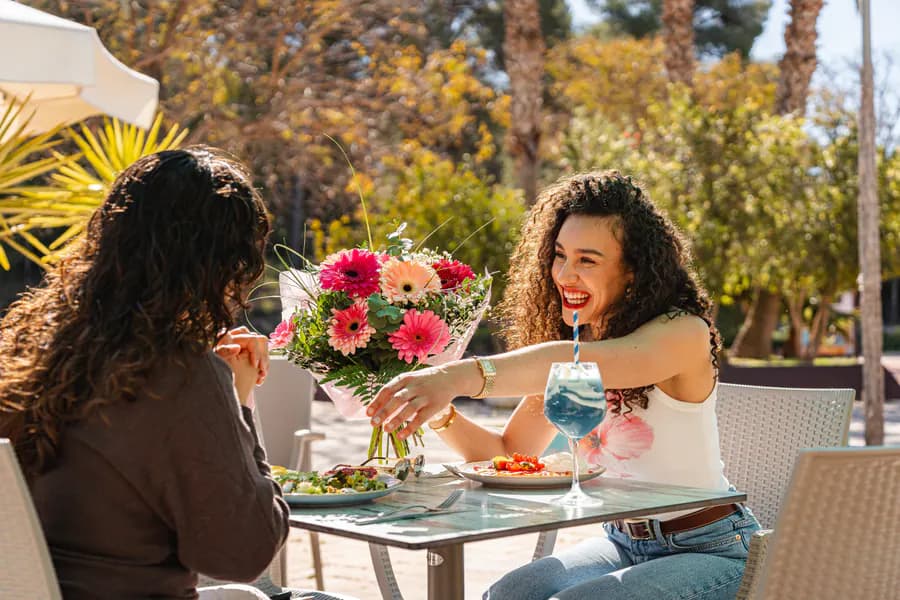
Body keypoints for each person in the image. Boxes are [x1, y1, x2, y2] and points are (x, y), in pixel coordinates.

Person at [366, 171, 761, 600]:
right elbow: (507, 455)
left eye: (587, 260)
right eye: (559, 255)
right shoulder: (581, 341)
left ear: (633, 271)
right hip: (622, 542)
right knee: (507, 595)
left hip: (716, 548)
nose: (565, 275)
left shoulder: (682, 333)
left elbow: (570, 361)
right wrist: (442, 413)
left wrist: (453, 377)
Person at [0, 147, 317, 600]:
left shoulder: (29, 344)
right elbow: (242, 554)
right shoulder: (177, 372)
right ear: (220, 264)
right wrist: (239, 403)